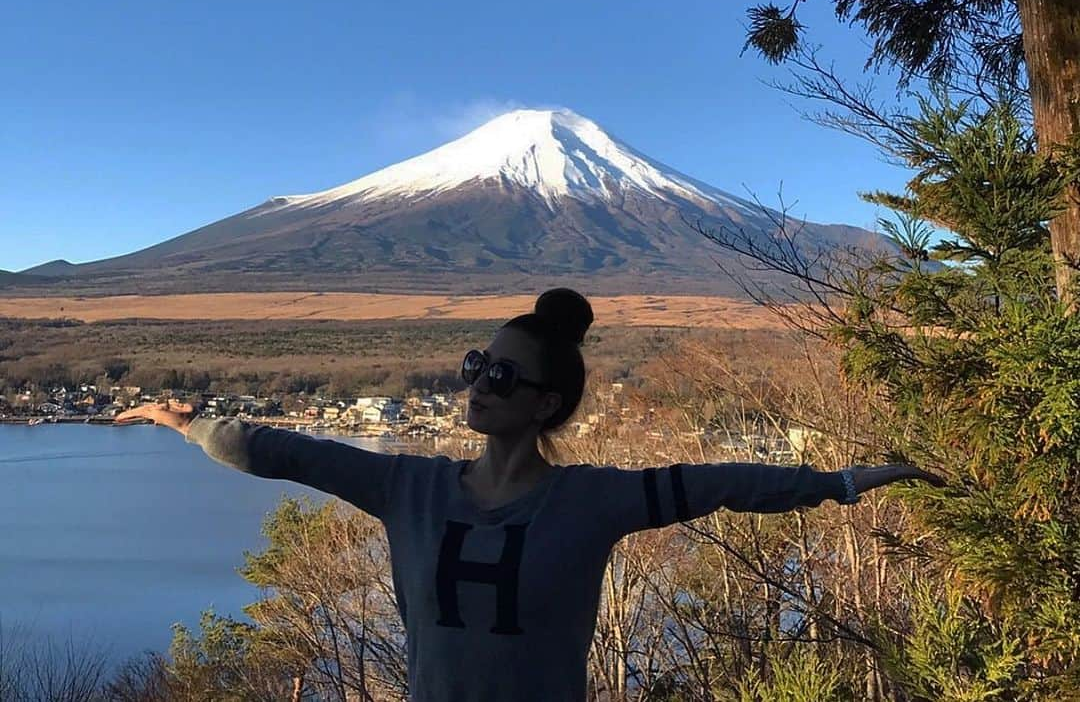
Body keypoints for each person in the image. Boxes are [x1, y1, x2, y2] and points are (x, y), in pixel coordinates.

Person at [115, 287, 947, 702]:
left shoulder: (588, 502)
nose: (478, 384)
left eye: (502, 373)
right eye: (476, 365)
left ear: (546, 403)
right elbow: (287, 453)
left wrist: (838, 485)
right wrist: (190, 424)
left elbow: (718, 483)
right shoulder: (408, 485)